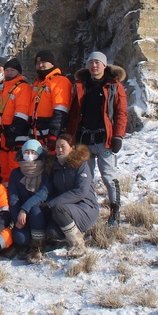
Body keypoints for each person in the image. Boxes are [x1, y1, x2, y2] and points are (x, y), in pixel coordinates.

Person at [68, 51, 127, 225]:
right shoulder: (81, 85)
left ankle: (115, 212)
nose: (94, 66)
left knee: (109, 176)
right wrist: (70, 136)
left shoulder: (114, 85)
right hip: (84, 138)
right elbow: (73, 113)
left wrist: (118, 136)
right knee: (86, 178)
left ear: (104, 65)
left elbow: (121, 113)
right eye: (91, 62)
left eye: (97, 63)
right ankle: (89, 211)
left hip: (105, 139)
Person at [24, 133, 98, 257]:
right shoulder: (55, 166)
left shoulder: (81, 164)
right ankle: (68, 235)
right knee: (52, 233)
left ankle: (78, 244)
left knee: (58, 208)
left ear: (72, 148)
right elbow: (48, 190)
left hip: (86, 208)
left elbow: (80, 191)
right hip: (65, 209)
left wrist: (52, 203)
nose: (59, 150)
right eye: (57, 147)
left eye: (63, 146)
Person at [7, 139, 50, 263]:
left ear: (39, 154)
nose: (30, 155)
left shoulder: (46, 171)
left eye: (33, 152)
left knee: (35, 210)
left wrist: (24, 209)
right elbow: (13, 197)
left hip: (41, 212)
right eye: (27, 152)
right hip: (22, 216)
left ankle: (38, 245)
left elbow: (43, 194)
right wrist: (17, 219)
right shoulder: (16, 173)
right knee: (20, 238)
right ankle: (26, 244)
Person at [0, 58, 32, 182]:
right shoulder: (4, 88)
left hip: (16, 132)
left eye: (12, 70)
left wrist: (13, 131)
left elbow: (22, 111)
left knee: (15, 167)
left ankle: (16, 196)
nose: (9, 72)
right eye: (6, 70)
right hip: (3, 133)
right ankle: (5, 196)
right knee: (4, 169)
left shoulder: (23, 87)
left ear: (18, 72)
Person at [30, 50, 72, 151]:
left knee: (51, 164)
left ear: (52, 64)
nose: (40, 65)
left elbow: (60, 110)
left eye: (43, 62)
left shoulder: (60, 81)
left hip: (50, 131)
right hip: (36, 132)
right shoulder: (37, 84)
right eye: (38, 63)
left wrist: (53, 135)